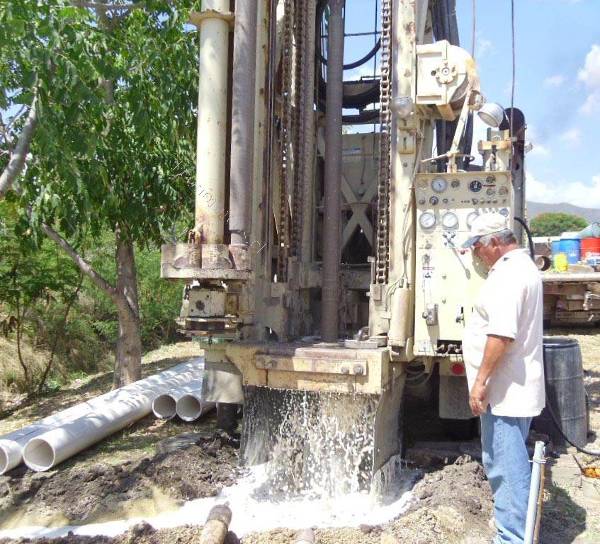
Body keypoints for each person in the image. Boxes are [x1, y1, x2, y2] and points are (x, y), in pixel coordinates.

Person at [461, 212, 545, 544]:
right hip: (516, 390)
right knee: (509, 466)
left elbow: (501, 335)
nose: (476, 254)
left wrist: (480, 383)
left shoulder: (508, 275)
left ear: (495, 242)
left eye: (477, 247)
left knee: (506, 471)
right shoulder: (522, 268)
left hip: (505, 393)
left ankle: (513, 538)